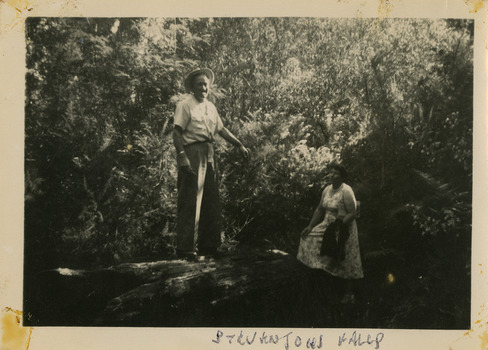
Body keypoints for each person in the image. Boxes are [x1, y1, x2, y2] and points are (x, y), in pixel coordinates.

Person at [173, 68, 249, 259]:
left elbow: (222, 130)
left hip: (209, 152)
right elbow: (176, 132)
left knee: (210, 197)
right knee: (191, 198)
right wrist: (182, 156)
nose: (204, 87)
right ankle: (186, 248)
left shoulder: (211, 107)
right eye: (200, 84)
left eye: (206, 84)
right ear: (192, 87)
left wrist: (239, 144)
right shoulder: (185, 105)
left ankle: (209, 245)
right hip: (192, 152)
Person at [297, 162, 363, 303]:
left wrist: (338, 227)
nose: (331, 175)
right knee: (307, 238)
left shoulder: (346, 190)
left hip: (344, 226)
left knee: (346, 258)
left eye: (335, 173)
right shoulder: (327, 189)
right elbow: (320, 209)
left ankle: (348, 293)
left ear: (342, 177)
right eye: (331, 172)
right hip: (327, 224)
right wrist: (310, 226)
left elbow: (352, 213)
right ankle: (323, 279)